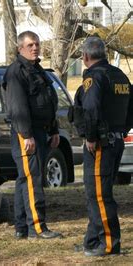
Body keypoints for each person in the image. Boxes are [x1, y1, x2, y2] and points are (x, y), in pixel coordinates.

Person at [73, 36, 132, 256]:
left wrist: (90, 137)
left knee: (99, 195)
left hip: (99, 144)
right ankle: (92, 240)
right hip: (115, 141)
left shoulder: (94, 78)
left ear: (86, 56)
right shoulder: (120, 76)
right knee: (96, 193)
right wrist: (122, 131)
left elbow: (90, 110)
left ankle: (108, 243)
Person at [3, 31, 62, 239]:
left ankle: (22, 228)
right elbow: (18, 107)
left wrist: (54, 129)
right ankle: (38, 228)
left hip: (41, 130)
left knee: (24, 179)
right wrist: (27, 135)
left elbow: (49, 100)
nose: (35, 48)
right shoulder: (16, 72)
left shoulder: (38, 70)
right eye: (30, 45)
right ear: (20, 48)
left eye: (37, 44)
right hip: (26, 132)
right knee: (32, 179)